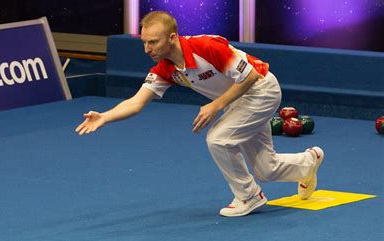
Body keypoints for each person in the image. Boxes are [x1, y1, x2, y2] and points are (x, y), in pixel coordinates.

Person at [75, 11, 324, 217]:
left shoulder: (205, 46)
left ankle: (249, 197)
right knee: (265, 169)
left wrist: (216, 105)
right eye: (144, 42)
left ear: (172, 37)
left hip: (261, 90)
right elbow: (136, 103)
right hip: (238, 101)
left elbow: (250, 76)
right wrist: (105, 117)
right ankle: (308, 162)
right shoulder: (166, 69)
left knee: (218, 139)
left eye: (153, 42)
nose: (146, 49)